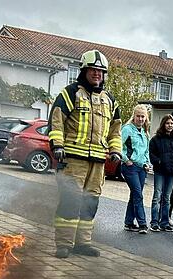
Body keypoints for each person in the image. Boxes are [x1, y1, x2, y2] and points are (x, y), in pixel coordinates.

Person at [48, 49, 121, 259]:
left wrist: (115, 149)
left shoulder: (109, 100)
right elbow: (57, 121)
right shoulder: (70, 93)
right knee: (70, 201)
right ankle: (64, 244)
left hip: (98, 162)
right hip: (72, 160)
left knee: (91, 203)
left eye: (100, 71)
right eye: (93, 70)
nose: (97, 74)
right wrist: (58, 146)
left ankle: (83, 243)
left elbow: (115, 129)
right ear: (84, 71)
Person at [121, 105, 152, 234]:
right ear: (133, 116)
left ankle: (128, 222)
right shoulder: (127, 129)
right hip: (130, 167)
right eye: (138, 116)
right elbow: (118, 145)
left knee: (134, 195)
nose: (140, 119)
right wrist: (125, 159)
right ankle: (142, 223)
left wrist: (147, 163)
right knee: (138, 195)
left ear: (146, 118)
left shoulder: (145, 133)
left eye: (142, 116)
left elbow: (146, 151)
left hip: (141, 168)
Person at [148, 114, 173, 232]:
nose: (170, 125)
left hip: (172, 173)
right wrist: (159, 162)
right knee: (157, 196)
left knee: (167, 198)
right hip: (160, 172)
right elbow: (151, 154)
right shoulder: (155, 139)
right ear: (163, 124)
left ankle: (165, 222)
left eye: (172, 123)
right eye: (167, 123)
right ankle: (154, 222)